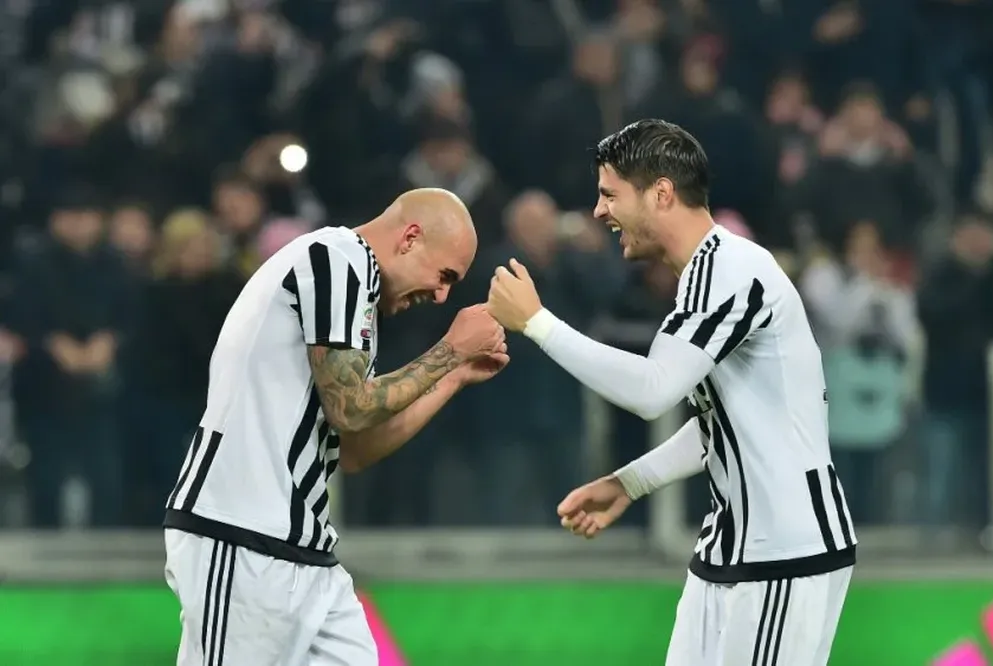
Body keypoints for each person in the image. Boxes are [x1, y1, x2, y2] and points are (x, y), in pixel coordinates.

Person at [487, 120, 856, 666]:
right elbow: (727, 420)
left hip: (785, 550)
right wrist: (631, 482)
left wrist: (539, 323)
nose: (597, 212)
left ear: (661, 193)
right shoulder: (703, 274)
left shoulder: (730, 269)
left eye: (609, 194)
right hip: (731, 548)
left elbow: (653, 389)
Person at [163, 188, 508, 666]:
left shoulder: (357, 288)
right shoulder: (336, 260)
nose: (441, 295)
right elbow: (352, 409)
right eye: (444, 275)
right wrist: (448, 349)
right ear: (410, 238)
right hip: (241, 534)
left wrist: (453, 377)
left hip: (304, 550)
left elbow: (356, 449)